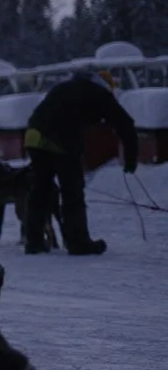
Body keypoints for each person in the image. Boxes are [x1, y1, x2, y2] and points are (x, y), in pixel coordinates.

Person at [23, 70, 139, 256]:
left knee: (40, 190)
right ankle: (78, 243)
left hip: (33, 136)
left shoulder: (63, 87)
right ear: (106, 86)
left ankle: (33, 242)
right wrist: (131, 159)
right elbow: (125, 124)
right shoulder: (100, 95)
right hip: (61, 140)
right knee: (72, 192)